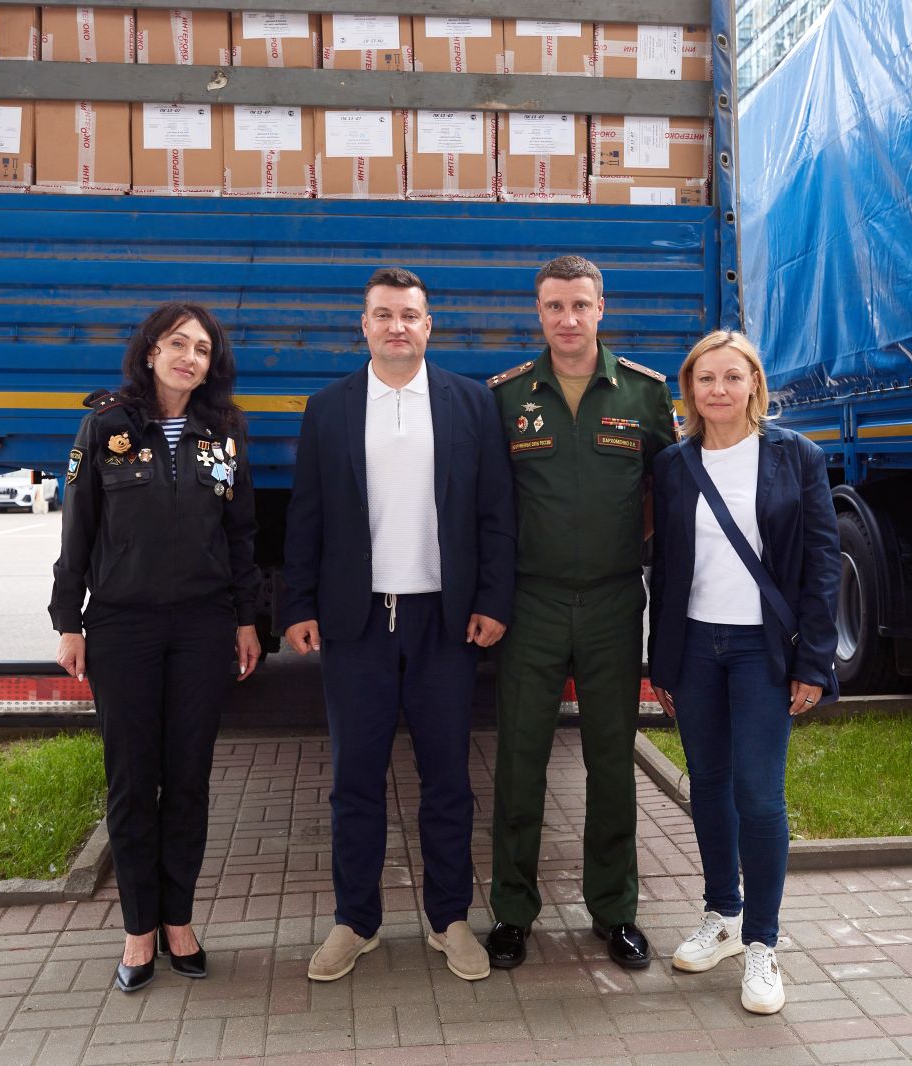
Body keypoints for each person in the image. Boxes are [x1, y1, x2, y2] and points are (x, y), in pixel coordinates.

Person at [282, 267, 516, 983]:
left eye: (410, 315)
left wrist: (494, 600)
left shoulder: (471, 403)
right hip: (357, 624)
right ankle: (356, 922)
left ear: (428, 325)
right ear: (364, 325)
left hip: (444, 622)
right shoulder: (329, 408)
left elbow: (496, 514)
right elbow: (306, 514)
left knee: (447, 779)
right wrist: (297, 604)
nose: (397, 327)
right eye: (383, 315)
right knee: (355, 781)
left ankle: (450, 920)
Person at [49, 302, 262, 994]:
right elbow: (78, 528)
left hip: (202, 628)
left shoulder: (225, 430)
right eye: (177, 344)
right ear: (150, 352)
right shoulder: (105, 426)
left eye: (202, 349)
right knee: (133, 781)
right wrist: (68, 620)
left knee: (189, 781)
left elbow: (241, 534)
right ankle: (139, 930)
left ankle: (179, 922)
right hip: (123, 627)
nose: (189, 358)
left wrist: (247, 619)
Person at [484, 255, 678, 971]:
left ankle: (615, 910)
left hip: (612, 602)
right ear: (537, 312)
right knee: (519, 760)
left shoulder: (645, 393)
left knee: (612, 762)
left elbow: (670, 494)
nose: (568, 319)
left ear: (602, 308)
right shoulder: (506, 397)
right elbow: (489, 507)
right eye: (554, 306)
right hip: (530, 604)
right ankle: (512, 911)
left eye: (580, 305)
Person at [647, 330, 840, 1014]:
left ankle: (762, 941)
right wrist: (663, 659)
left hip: (764, 650)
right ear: (689, 390)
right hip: (696, 649)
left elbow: (822, 563)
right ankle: (722, 914)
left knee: (759, 795)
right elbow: (665, 568)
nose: (719, 389)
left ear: (755, 384)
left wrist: (814, 660)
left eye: (733, 376)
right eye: (705, 379)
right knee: (709, 786)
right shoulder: (674, 464)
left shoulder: (796, 456)